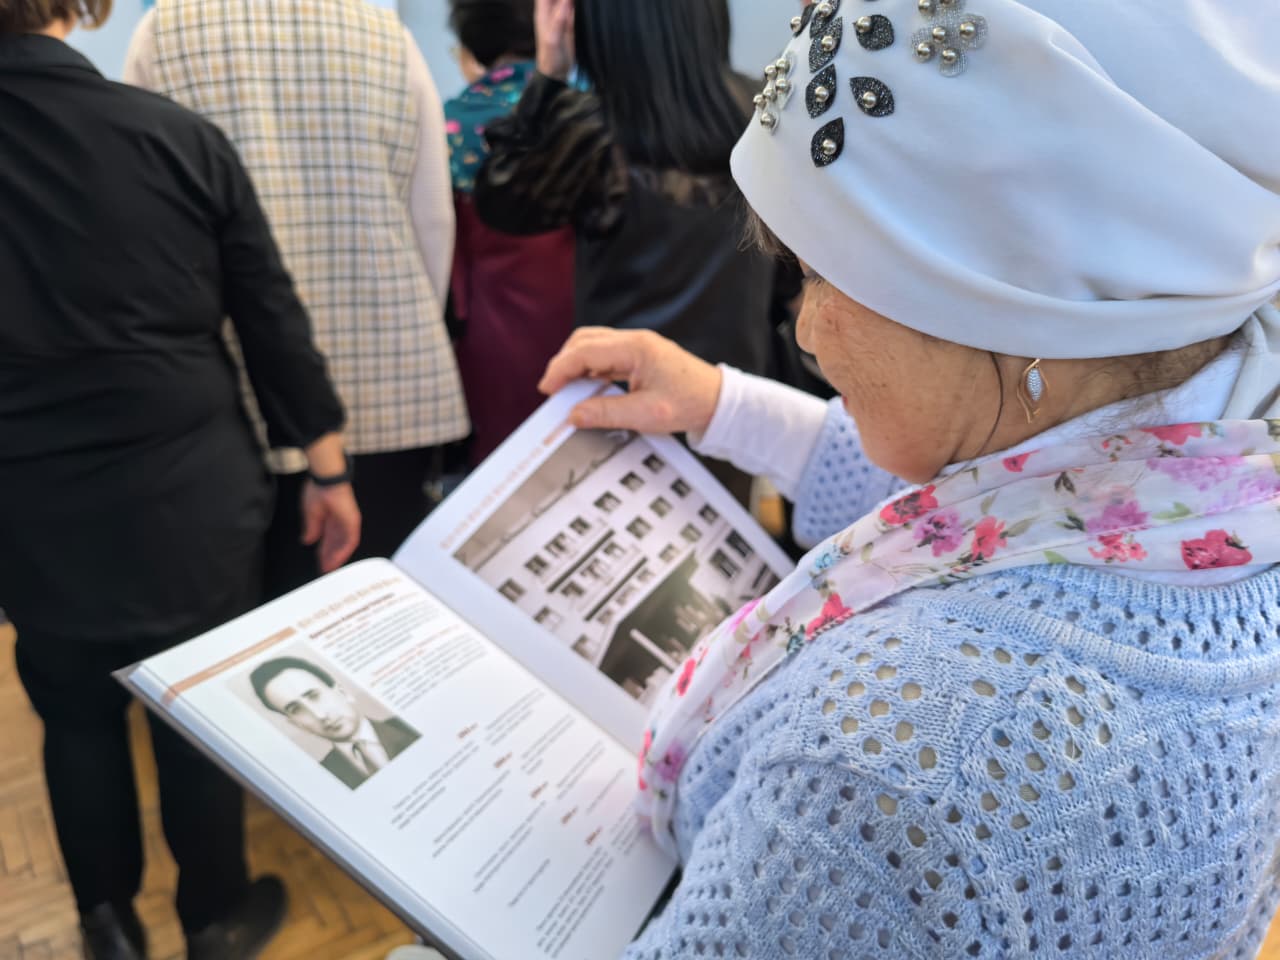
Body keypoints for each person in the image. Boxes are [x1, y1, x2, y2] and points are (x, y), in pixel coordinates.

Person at [538, 0, 1280, 955]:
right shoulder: (1217, 485)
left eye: (821, 275)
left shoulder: (888, 771)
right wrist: (725, 405)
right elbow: (992, 522)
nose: (804, 331)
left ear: (1009, 303)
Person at [0, 1, 361, 958]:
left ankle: (107, 926)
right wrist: (327, 470)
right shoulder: (175, 139)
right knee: (196, 710)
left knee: (74, 717)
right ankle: (215, 920)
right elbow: (271, 321)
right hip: (189, 501)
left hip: (27, 512)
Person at [125, 0, 470, 595]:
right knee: (375, 605)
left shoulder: (164, 31)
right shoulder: (386, 34)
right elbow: (431, 218)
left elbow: (146, 221)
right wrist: (410, 316)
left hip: (233, 386)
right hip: (387, 376)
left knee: (247, 615)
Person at [472, 0, 796, 501]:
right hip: (729, 397)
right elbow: (788, 267)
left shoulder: (593, 127)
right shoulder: (765, 110)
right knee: (718, 534)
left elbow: (504, 202)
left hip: (623, 390)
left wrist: (548, 77)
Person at [445, 0, 575, 466]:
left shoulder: (452, 122)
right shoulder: (585, 112)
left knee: (502, 465)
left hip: (491, 320)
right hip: (585, 309)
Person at [249, 657, 420, 790]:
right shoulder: (322, 781)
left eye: (314, 696)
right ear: (296, 724)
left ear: (342, 692)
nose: (320, 715)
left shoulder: (412, 726)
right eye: (296, 709)